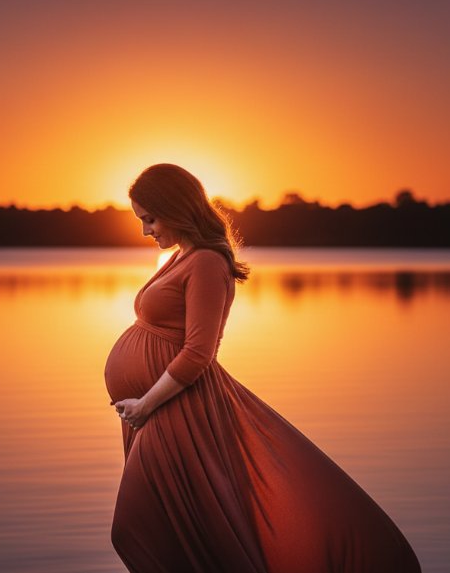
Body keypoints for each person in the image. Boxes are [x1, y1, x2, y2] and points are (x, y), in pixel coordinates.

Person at [104, 164, 421, 572]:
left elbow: (199, 352)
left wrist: (147, 403)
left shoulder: (206, 262)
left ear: (175, 208)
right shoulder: (180, 257)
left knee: (135, 527)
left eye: (149, 219)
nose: (146, 231)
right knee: (172, 529)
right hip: (153, 413)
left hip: (173, 411)